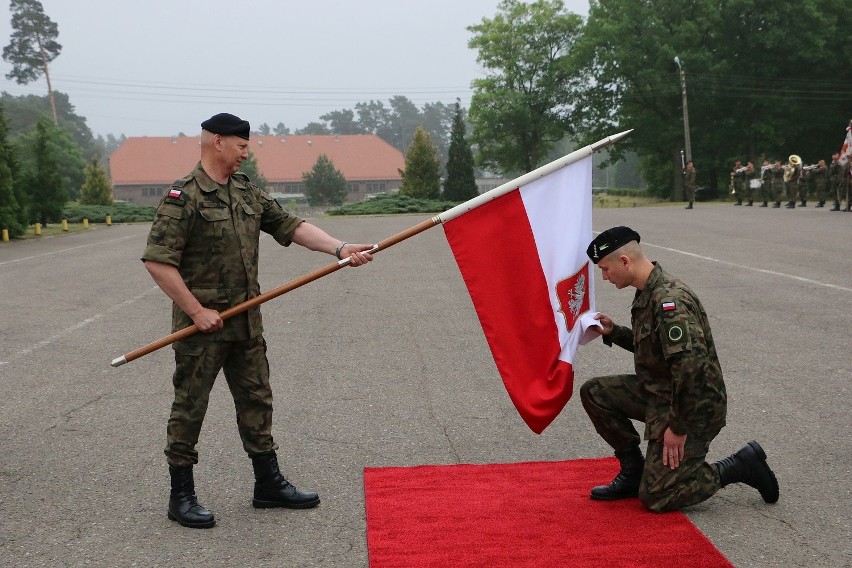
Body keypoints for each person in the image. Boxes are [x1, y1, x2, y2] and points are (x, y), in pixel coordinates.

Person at [141, 113, 375, 529]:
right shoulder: (184, 196)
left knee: (257, 401)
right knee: (190, 407)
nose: (246, 151)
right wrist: (196, 311)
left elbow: (290, 225)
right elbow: (159, 262)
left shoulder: (246, 190)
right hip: (202, 330)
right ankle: (181, 495)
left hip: (245, 322)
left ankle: (267, 484)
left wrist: (338, 248)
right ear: (216, 142)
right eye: (240, 145)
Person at [579, 226, 779, 512]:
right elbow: (656, 350)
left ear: (624, 261)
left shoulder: (669, 302)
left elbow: (690, 369)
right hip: (663, 395)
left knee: (658, 496)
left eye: (605, 269)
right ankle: (633, 473)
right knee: (595, 392)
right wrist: (613, 332)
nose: (605, 277)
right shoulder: (646, 292)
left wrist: (678, 427)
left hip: (695, 407)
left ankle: (741, 465)